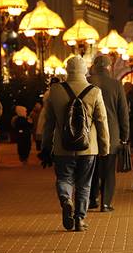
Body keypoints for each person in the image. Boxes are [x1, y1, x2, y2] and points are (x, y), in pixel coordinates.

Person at [40, 56, 109, 232]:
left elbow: (49, 122)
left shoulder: (55, 91)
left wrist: (46, 145)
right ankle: (79, 219)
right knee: (84, 184)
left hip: (62, 147)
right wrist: (104, 147)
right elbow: (101, 121)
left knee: (64, 178)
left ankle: (66, 199)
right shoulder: (94, 91)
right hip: (88, 147)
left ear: (67, 70)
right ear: (84, 70)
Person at [88, 55, 130, 212]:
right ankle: (105, 203)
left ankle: (92, 199)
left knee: (91, 167)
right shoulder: (116, 84)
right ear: (109, 67)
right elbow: (123, 112)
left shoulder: (87, 82)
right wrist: (125, 135)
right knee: (108, 169)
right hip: (111, 133)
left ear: (94, 66)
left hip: (90, 132)